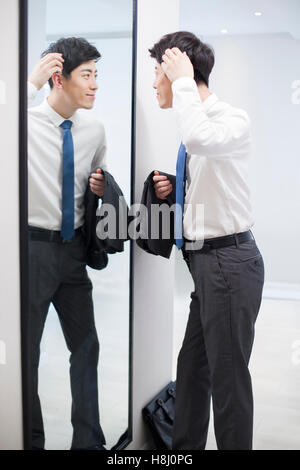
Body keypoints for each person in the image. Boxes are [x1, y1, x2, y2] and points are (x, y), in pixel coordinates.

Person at [149, 31, 265, 450]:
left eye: (158, 71)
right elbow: (213, 180)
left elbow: (201, 139)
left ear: (180, 70)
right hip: (208, 267)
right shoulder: (195, 127)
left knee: (229, 383)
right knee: (193, 372)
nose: (155, 82)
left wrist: (182, 80)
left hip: (230, 264)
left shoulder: (230, 119)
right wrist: (176, 186)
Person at [27, 37, 107, 450]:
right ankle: (30, 439)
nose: (95, 85)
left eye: (97, 75)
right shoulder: (21, 124)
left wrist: (100, 187)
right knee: (26, 356)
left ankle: (88, 443)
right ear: (59, 78)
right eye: (88, 75)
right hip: (32, 252)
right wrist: (30, 83)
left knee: (87, 346)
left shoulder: (94, 129)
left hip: (73, 253)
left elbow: (99, 184)